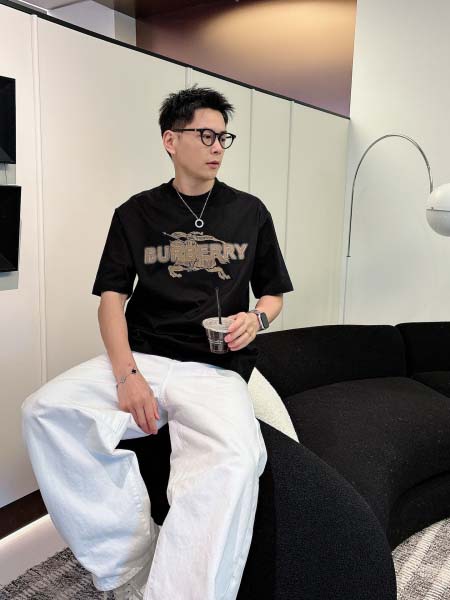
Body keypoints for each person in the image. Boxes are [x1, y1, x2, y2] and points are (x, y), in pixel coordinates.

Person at [22, 86, 293, 600]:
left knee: (237, 460)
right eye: (205, 134)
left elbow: (273, 294)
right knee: (44, 411)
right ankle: (129, 560)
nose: (217, 146)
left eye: (223, 137)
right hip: (144, 356)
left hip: (215, 367)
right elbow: (110, 301)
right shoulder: (135, 214)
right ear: (171, 140)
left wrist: (256, 318)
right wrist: (127, 375)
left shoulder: (250, 212)